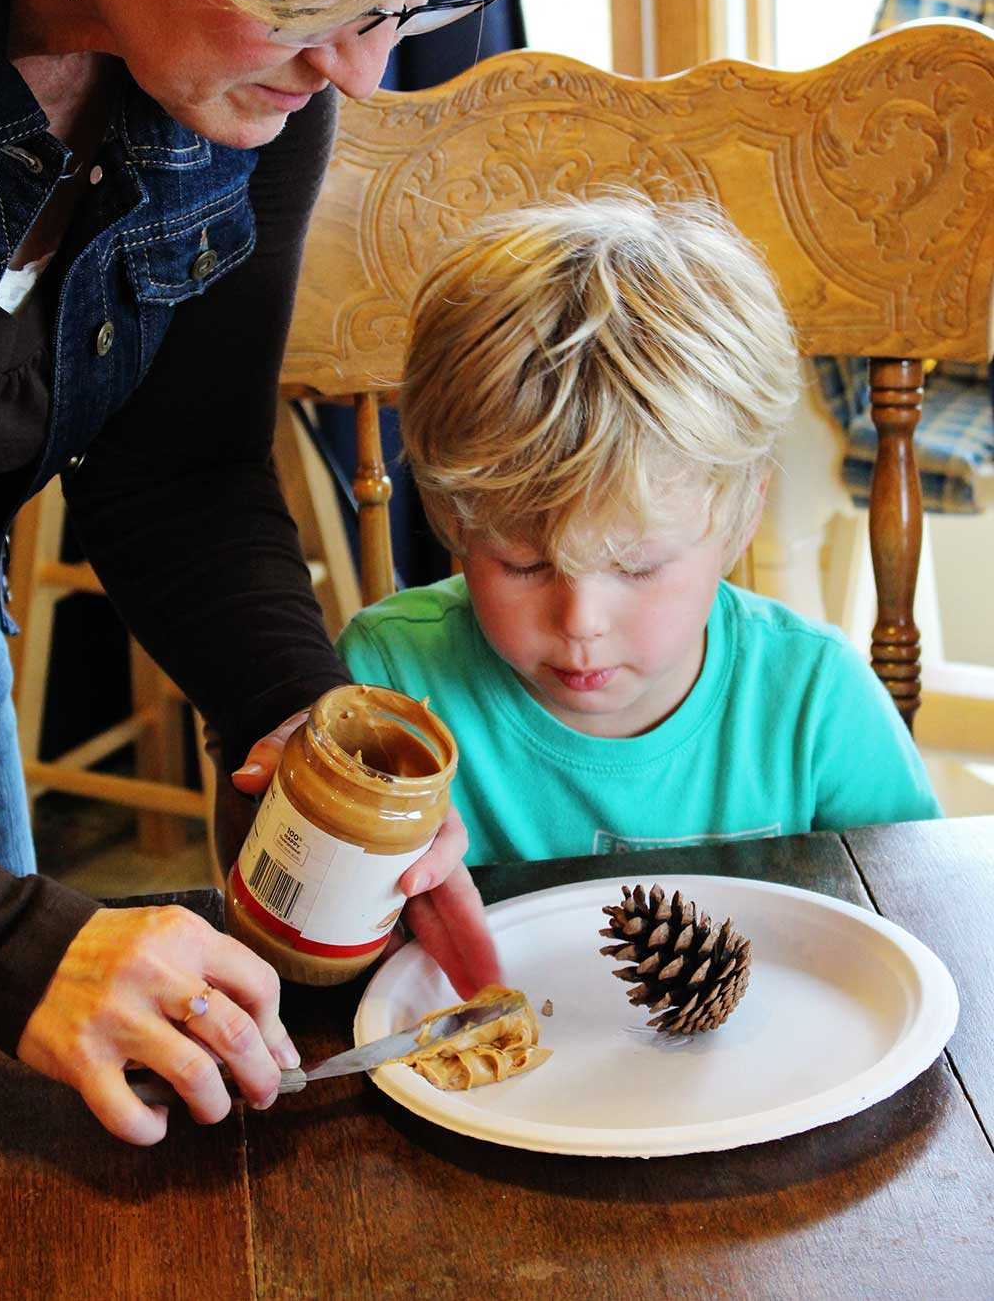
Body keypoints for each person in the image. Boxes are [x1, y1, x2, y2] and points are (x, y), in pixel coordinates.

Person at [0, 0, 570, 1144]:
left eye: (405, 0)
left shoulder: (287, 47)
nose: (356, 70)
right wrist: (3, 946)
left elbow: (179, 471)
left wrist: (301, 729)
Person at [322, 197, 942, 864]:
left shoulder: (814, 702)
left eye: (637, 566)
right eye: (523, 565)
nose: (581, 621)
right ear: (453, 518)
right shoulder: (387, 683)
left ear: (739, 517)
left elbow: (915, 916)